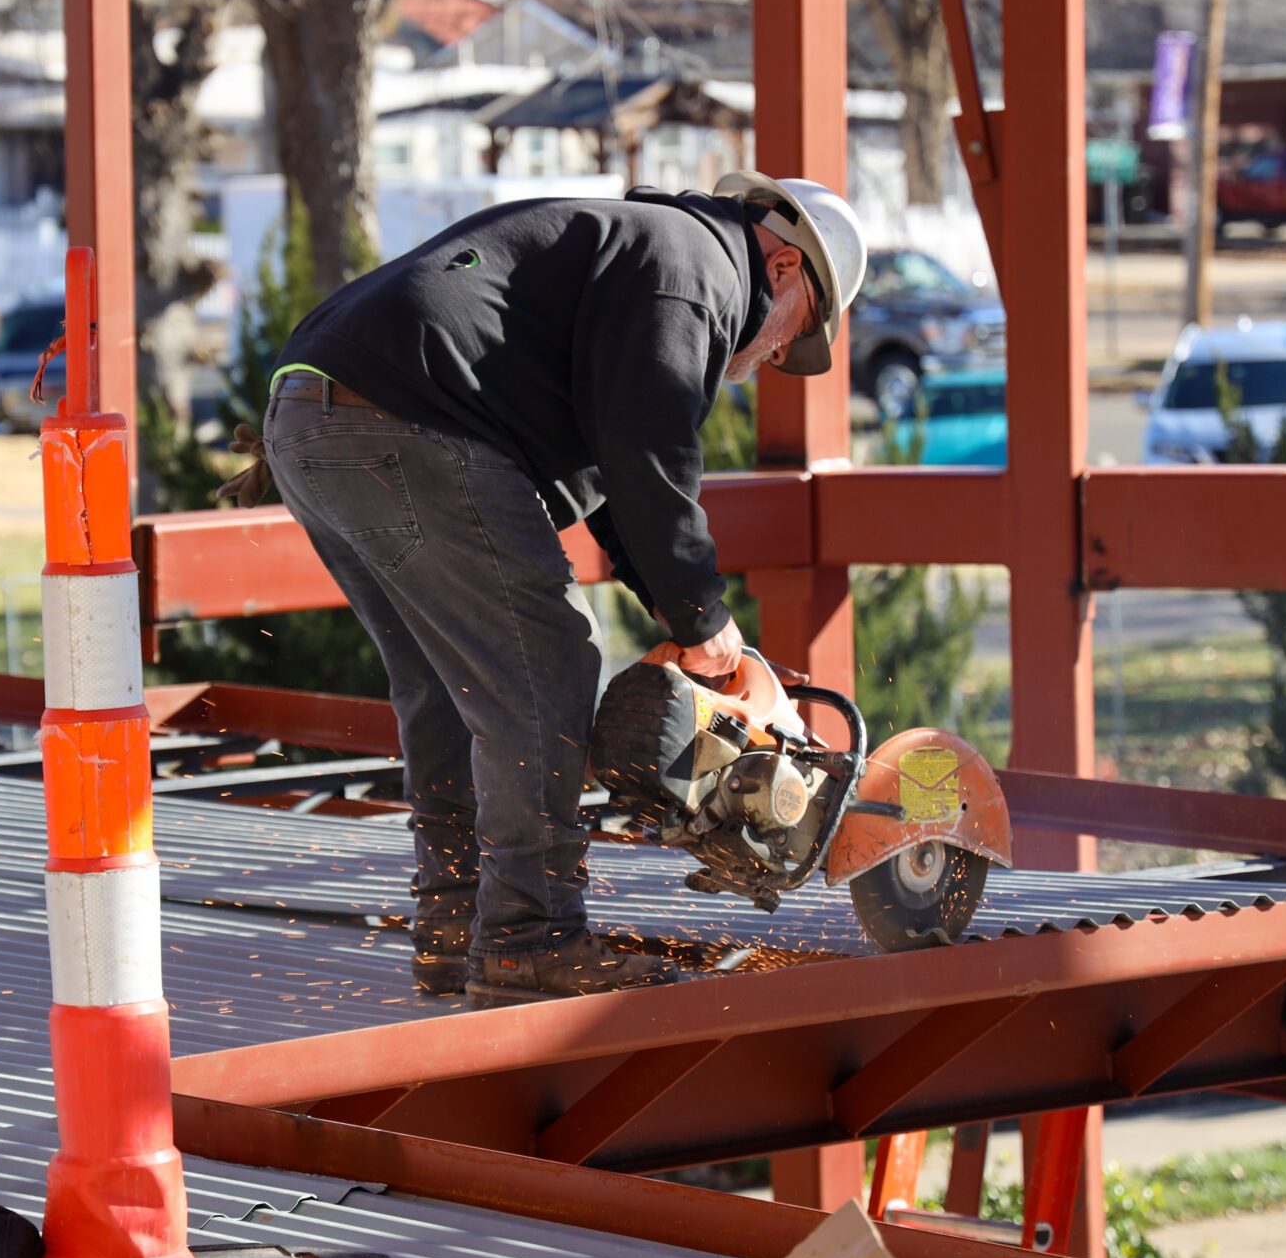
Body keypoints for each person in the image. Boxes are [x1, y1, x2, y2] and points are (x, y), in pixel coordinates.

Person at [255, 173, 866, 1007]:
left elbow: (616, 478)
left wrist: (681, 613)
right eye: (788, 338)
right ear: (786, 266)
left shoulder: (643, 246)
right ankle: (529, 941)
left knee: (449, 681)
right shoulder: (694, 269)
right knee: (549, 666)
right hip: (408, 416)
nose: (765, 364)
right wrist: (704, 616)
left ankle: (458, 925)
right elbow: (652, 457)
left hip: (313, 413)